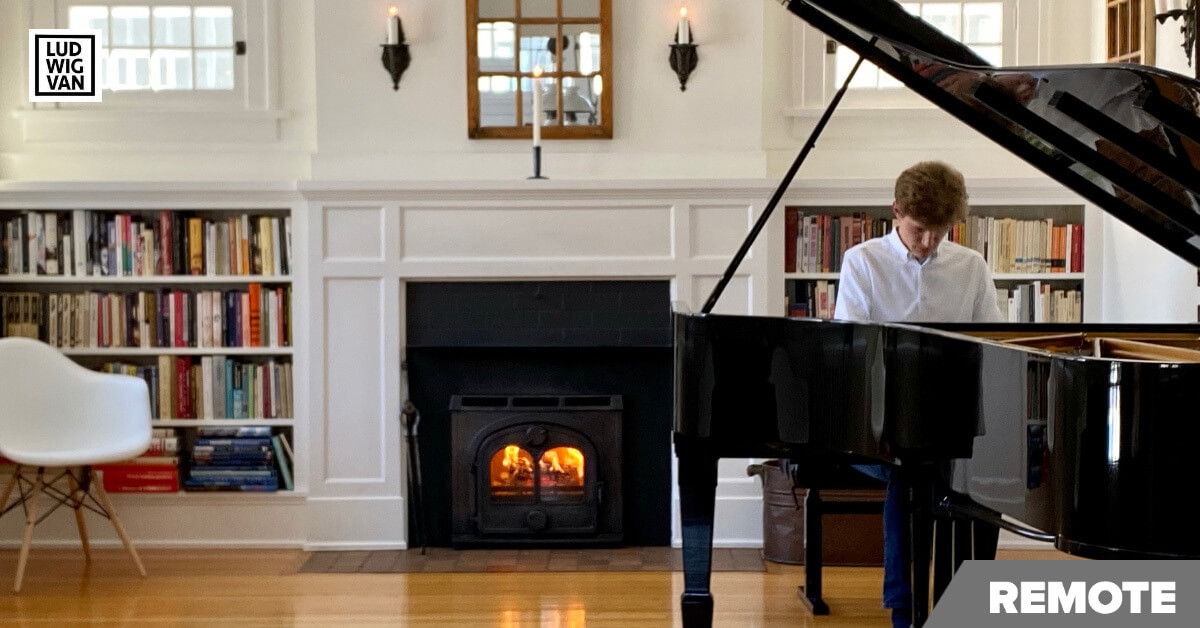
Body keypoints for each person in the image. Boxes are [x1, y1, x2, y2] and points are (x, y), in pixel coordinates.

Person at [833, 160, 1003, 628]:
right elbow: (851, 352)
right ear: (896, 211)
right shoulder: (863, 262)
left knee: (965, 471)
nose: (928, 242)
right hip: (876, 425)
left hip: (950, 418)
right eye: (919, 230)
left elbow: (993, 343)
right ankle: (906, 609)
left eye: (940, 232)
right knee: (910, 469)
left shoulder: (971, 266)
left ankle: (954, 600)